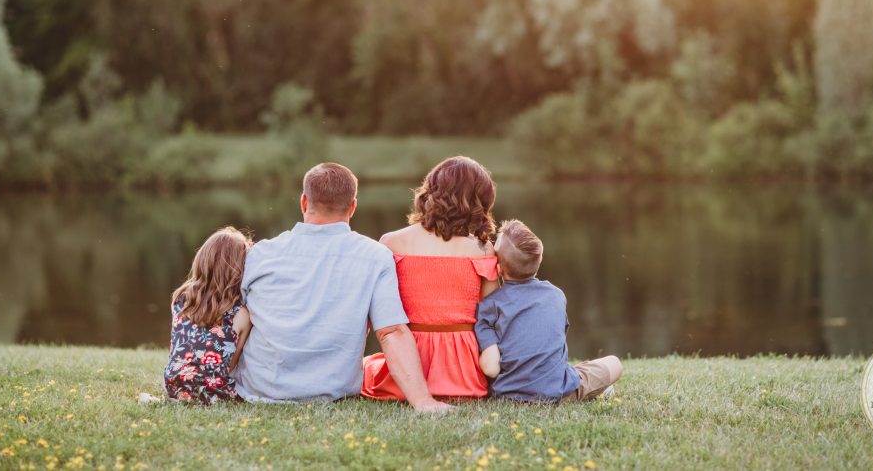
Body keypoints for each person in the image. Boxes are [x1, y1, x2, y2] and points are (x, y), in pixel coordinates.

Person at [234, 162, 450, 411]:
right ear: (353, 207)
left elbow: (235, 321)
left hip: (258, 389)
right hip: (331, 393)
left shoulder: (261, 253)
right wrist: (423, 401)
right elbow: (392, 333)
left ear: (304, 202)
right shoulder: (375, 257)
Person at [362, 156, 499, 400]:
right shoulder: (483, 249)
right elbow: (492, 316)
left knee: (366, 367)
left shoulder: (392, 242)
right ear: (479, 201)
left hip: (407, 363)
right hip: (464, 373)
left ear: (431, 192)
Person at [475, 219, 623, 403]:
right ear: (540, 260)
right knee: (614, 363)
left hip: (508, 396)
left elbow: (490, 369)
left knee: (576, 371)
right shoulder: (555, 295)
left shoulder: (489, 306)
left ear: (498, 268)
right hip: (557, 392)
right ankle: (596, 388)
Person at [163, 227, 253, 403]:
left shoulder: (181, 299)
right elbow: (231, 366)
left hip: (172, 387)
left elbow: (177, 348)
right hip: (215, 394)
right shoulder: (242, 315)